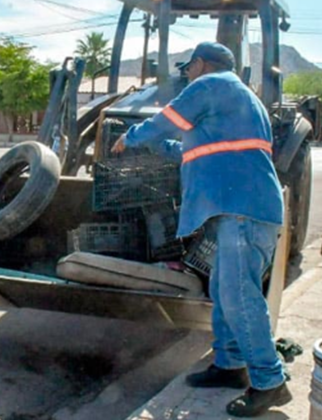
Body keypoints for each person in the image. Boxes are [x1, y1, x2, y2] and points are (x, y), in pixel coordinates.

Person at [112, 42, 290, 417]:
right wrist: (159, 148)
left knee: (240, 296)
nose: (186, 74)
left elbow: (166, 119)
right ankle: (229, 364)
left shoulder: (211, 85)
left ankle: (269, 381)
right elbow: (193, 149)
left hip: (243, 208)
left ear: (201, 64)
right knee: (225, 292)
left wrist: (130, 137)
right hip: (240, 208)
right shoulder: (236, 96)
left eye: (189, 67)